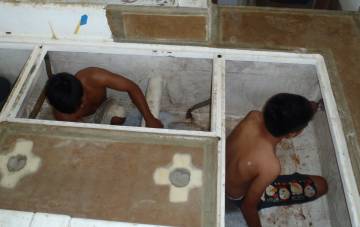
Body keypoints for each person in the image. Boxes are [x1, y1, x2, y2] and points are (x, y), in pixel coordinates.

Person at [226, 93, 328, 227]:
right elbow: (247, 207)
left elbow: (292, 106)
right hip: (237, 197)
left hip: (221, 172)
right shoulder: (270, 166)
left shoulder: (253, 116)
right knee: (321, 185)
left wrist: (315, 106)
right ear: (293, 134)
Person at [45, 67, 163, 128]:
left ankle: (114, 129)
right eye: (76, 108)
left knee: (118, 112)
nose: (82, 105)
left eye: (81, 99)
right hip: (86, 122)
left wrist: (149, 118)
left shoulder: (92, 77)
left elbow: (131, 87)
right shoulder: (63, 116)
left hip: (103, 107)